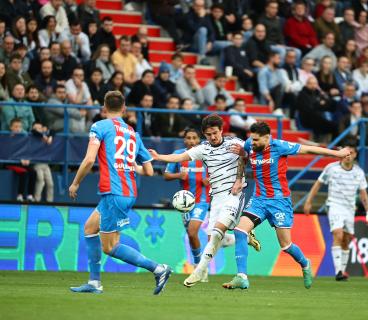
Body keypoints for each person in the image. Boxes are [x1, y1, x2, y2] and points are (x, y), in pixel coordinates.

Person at [222, 121, 351, 289]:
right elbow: (243, 157)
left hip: (279, 202)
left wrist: (337, 153)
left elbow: (310, 149)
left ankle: (305, 264)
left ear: (267, 138)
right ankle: (241, 276)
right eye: (251, 140)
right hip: (259, 200)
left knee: (286, 246)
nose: (252, 143)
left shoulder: (280, 146)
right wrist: (239, 179)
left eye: (256, 140)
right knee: (239, 231)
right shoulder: (249, 144)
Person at [68, 90, 172, 294]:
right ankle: (94, 283)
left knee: (110, 246)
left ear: (104, 108)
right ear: (124, 109)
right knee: (90, 229)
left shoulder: (99, 126)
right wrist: (129, 165)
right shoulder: (133, 133)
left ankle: (158, 269)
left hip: (113, 192)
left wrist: (75, 183)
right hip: (127, 191)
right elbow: (149, 171)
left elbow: (89, 159)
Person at [148, 114, 261, 287]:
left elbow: (257, 156)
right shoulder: (203, 149)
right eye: (209, 134)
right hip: (216, 198)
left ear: (221, 130)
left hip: (234, 195)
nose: (213, 137)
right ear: (205, 134)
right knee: (215, 240)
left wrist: (245, 153)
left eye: (215, 133)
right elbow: (179, 157)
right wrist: (158, 157)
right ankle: (244, 237)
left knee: (216, 233)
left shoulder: (235, 143)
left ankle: (199, 271)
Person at [304, 143, 368, 281]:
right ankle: (338, 272)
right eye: (345, 152)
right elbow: (318, 183)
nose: (348, 156)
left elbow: (363, 193)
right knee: (338, 235)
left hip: (349, 209)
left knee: (346, 240)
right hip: (334, 205)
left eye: (351, 153)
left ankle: (342, 270)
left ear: (355, 155)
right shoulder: (331, 168)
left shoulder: (359, 172)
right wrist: (309, 201)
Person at [164, 128, 211, 279]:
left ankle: (200, 267)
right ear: (184, 140)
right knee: (191, 236)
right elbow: (166, 175)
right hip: (184, 203)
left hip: (202, 201)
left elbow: (218, 172)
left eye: (194, 138)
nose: (191, 141)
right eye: (188, 138)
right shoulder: (179, 154)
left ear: (199, 140)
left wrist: (210, 180)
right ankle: (199, 266)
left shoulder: (206, 153)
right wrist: (179, 175)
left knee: (192, 231)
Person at [7, 118, 36, 203]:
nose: (18, 129)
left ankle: (30, 195)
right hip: (10, 164)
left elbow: (27, 151)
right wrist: (19, 159)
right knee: (24, 172)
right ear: (11, 128)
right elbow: (8, 154)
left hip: (22, 163)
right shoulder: (7, 138)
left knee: (33, 172)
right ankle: (19, 195)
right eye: (15, 127)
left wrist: (27, 159)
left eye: (20, 127)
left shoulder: (23, 138)